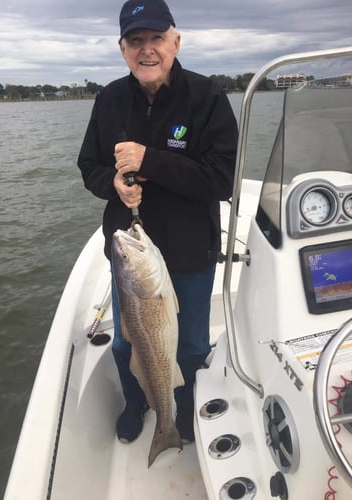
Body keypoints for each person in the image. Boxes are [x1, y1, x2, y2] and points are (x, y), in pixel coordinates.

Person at [77, 0, 238, 444]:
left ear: (175, 41)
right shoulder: (108, 99)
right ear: (122, 48)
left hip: (189, 249)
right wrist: (113, 183)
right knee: (126, 344)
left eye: (156, 39)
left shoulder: (207, 98)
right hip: (130, 255)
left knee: (189, 345)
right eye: (135, 41)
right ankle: (138, 400)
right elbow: (87, 165)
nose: (146, 50)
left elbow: (221, 179)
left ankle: (182, 409)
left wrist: (152, 160)